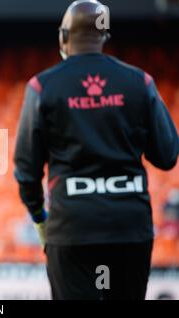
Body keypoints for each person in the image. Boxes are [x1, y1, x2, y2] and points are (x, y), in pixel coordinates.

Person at [14, 0, 179, 300]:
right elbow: (167, 155)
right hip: (129, 228)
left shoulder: (42, 87)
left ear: (64, 36)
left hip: (72, 228)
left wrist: (40, 218)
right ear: (104, 35)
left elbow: (26, 169)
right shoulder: (139, 82)